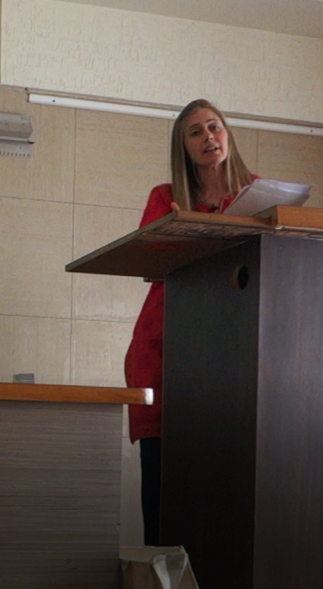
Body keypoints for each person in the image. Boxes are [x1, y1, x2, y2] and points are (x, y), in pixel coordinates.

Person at [125, 98, 256, 546]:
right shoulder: (167, 197)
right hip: (166, 343)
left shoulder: (259, 195)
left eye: (214, 126)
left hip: (234, 345)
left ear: (228, 135)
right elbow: (147, 262)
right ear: (183, 147)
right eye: (195, 132)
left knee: (227, 493)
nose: (208, 137)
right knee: (163, 490)